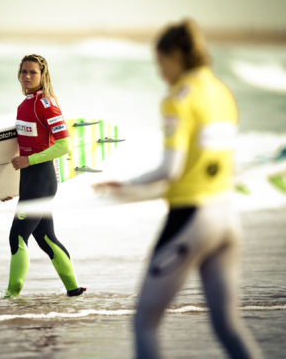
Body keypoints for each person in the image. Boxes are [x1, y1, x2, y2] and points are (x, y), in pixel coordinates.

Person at [94, 19, 262, 358]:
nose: (161, 73)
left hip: (193, 219)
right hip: (227, 216)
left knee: (145, 322)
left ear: (174, 56)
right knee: (228, 325)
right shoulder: (221, 91)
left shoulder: (179, 98)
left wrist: (125, 185)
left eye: (160, 63)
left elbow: (171, 170)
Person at [5, 54, 85, 298]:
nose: (27, 76)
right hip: (30, 181)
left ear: (42, 76)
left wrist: (29, 160)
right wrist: (4, 188)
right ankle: (73, 290)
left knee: (17, 236)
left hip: (42, 180)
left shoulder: (46, 104)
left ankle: (11, 296)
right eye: (24, 72)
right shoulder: (24, 104)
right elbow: (23, 148)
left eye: (33, 72)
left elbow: (64, 146)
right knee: (45, 237)